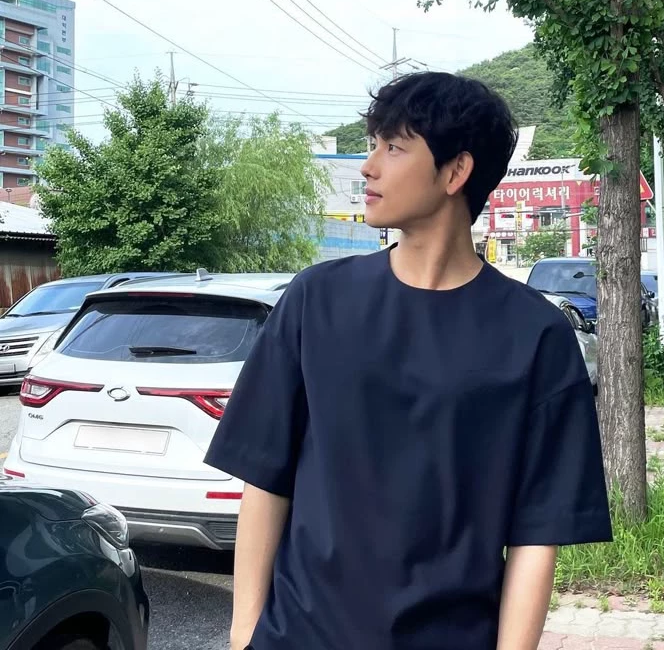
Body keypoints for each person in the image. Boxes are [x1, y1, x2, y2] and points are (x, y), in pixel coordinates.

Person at [205, 71, 613, 650]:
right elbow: (266, 478)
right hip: (299, 635)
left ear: (456, 171)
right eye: (373, 145)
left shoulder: (536, 334)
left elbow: (535, 534)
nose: (368, 167)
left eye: (394, 147)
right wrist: (244, 634)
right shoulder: (316, 299)